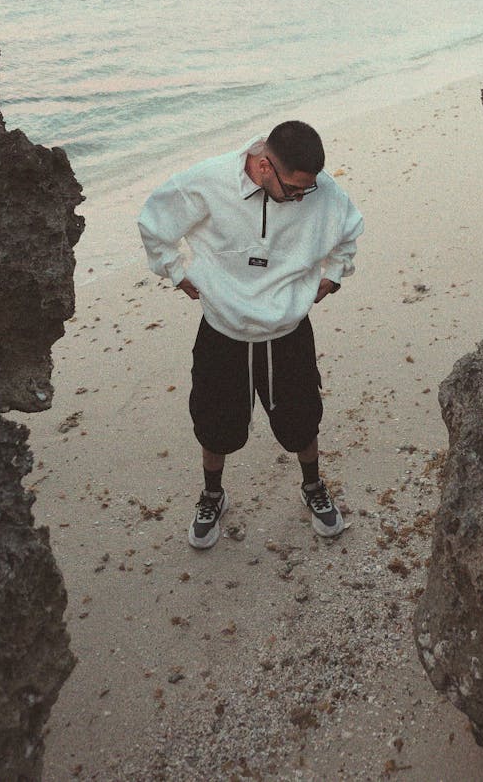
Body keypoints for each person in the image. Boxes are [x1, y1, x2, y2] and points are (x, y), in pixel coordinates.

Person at [137, 120, 364, 549]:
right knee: (214, 422)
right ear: (263, 167)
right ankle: (212, 495)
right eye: (294, 188)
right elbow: (154, 221)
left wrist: (333, 276)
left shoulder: (320, 189)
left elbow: (349, 231)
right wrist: (176, 273)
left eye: (307, 189)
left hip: (288, 331)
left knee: (302, 419)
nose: (302, 196)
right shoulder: (207, 181)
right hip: (223, 330)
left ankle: (313, 486)